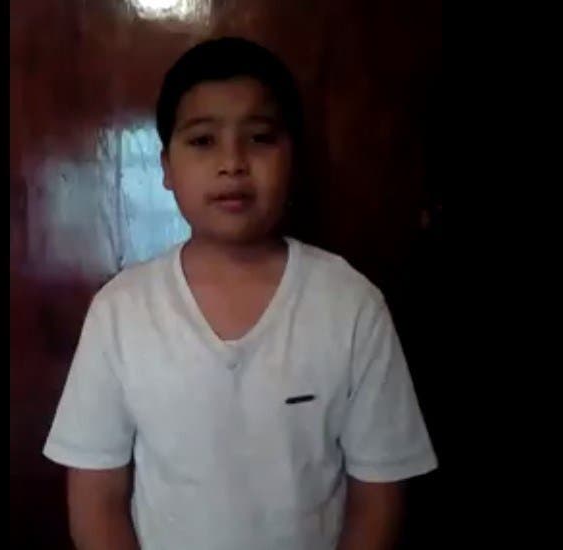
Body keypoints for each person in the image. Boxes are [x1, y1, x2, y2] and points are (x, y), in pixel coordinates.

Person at [43, 36, 436, 550]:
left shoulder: (351, 305)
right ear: (166, 168)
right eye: (203, 141)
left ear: (293, 158)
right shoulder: (120, 311)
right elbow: (96, 497)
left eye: (260, 138)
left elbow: (378, 496)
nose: (232, 163)